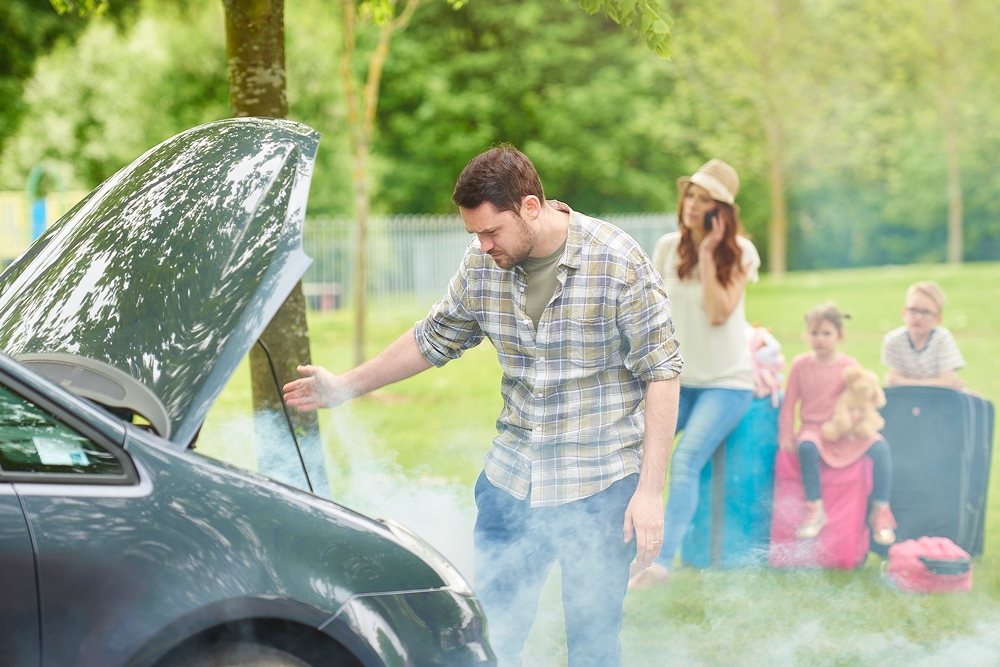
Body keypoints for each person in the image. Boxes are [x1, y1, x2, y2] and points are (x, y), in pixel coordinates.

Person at [282, 145, 683, 667]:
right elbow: (432, 338)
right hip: (512, 482)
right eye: (475, 233)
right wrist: (344, 387)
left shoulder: (618, 260)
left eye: (491, 232)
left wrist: (650, 492)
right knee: (488, 635)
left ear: (532, 207)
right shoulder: (482, 263)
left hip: (600, 485)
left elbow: (663, 372)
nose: (482, 244)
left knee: (592, 641)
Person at [629, 159, 759, 589]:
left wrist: (707, 253)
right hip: (677, 382)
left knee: (683, 461)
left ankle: (660, 564)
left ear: (720, 211)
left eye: (705, 199)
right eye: (690, 193)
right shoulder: (667, 248)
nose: (692, 203)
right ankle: (626, 550)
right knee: (635, 453)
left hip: (726, 383)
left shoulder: (740, 251)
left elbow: (720, 313)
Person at [779, 303, 896, 545]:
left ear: (840, 336)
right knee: (807, 447)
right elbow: (789, 404)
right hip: (815, 430)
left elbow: (858, 399)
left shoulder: (848, 366)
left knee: (881, 447)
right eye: (814, 333)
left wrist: (855, 417)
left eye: (826, 333)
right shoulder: (801, 365)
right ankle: (815, 508)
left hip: (844, 431)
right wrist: (786, 436)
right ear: (806, 335)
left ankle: (880, 510)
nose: (819, 339)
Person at [882, 280, 965, 390]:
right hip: (911, 398)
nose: (918, 317)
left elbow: (947, 384)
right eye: (913, 310)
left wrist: (904, 382)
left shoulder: (943, 339)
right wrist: (939, 383)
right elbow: (896, 385)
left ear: (938, 319)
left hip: (943, 400)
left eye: (926, 312)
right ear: (904, 312)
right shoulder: (894, 341)